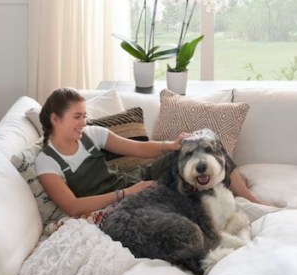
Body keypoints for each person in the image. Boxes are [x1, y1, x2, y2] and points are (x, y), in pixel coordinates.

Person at [36, 87, 264, 217]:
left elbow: (138, 148)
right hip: (121, 202)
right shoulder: (47, 162)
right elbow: (73, 206)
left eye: (84, 116)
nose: (83, 122)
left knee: (204, 140)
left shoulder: (91, 134)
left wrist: (171, 145)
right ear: (55, 119)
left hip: (139, 179)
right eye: (77, 117)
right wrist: (127, 194)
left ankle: (250, 200)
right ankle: (231, 189)